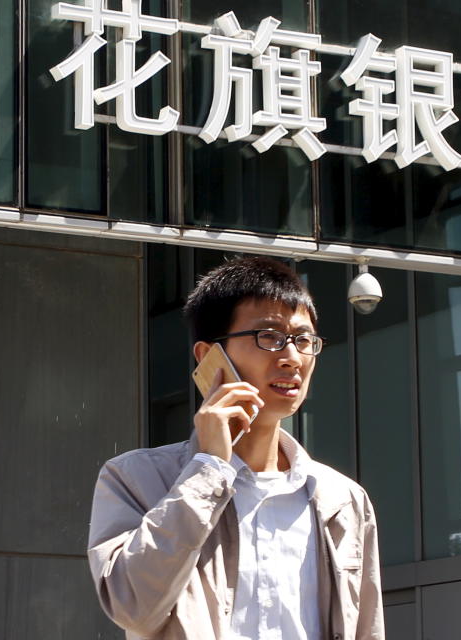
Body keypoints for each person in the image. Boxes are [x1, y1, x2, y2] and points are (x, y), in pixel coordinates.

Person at [87, 256, 384, 640]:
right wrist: (209, 469)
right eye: (270, 336)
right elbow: (132, 607)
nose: (292, 358)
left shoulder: (342, 500)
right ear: (209, 356)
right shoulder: (137, 479)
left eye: (304, 340)